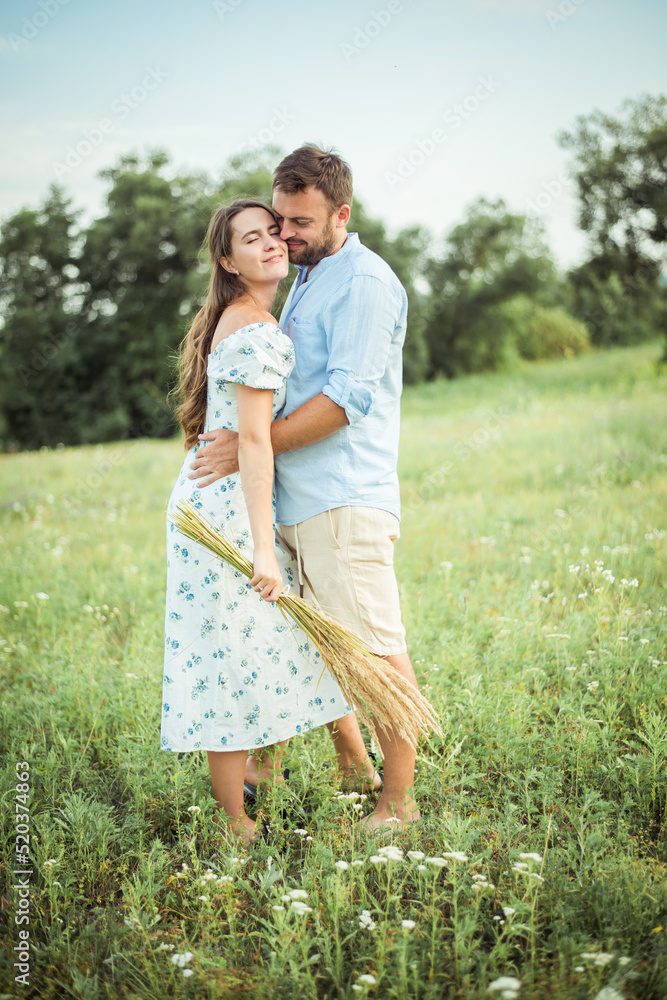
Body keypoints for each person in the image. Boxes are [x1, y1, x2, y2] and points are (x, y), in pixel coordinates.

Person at [189, 145, 422, 829]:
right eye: (279, 221)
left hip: (342, 500)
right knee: (321, 647)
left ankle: (399, 804)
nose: (285, 235)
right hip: (302, 500)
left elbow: (346, 400)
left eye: (299, 223)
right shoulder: (312, 275)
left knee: (377, 652)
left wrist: (245, 447)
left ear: (340, 213)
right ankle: (349, 764)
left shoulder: (364, 283)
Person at [161, 198, 352, 845]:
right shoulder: (255, 331)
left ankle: (261, 778)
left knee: (264, 648)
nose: (272, 243)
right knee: (228, 661)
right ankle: (236, 826)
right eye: (252, 238)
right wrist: (263, 552)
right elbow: (251, 442)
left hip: (219, 504)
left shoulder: (249, 320)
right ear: (227, 258)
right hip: (226, 516)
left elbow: (248, 437)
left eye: (274, 232)